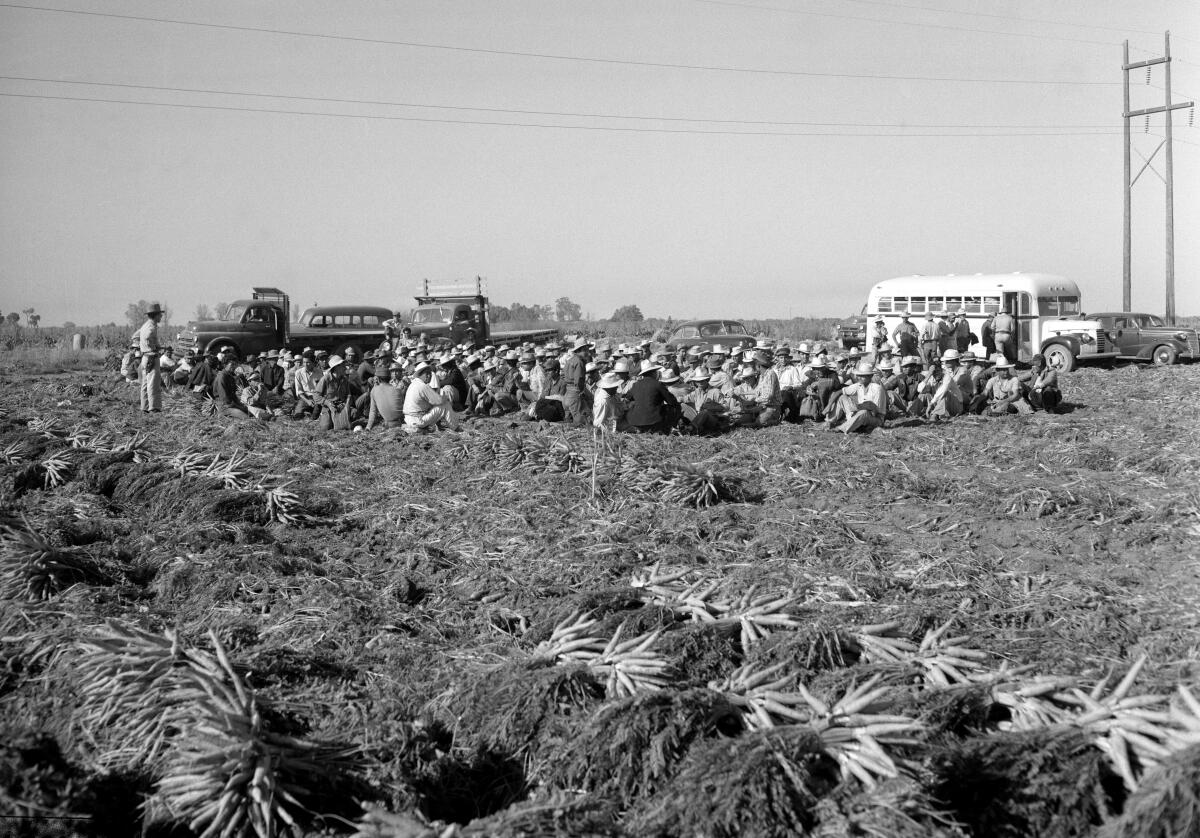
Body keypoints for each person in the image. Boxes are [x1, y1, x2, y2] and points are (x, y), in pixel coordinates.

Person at [828, 360, 886, 434]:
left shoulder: (877, 388)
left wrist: (857, 408)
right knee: (842, 397)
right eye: (859, 375)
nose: (859, 378)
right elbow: (840, 391)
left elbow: (874, 411)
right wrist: (829, 405)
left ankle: (842, 428)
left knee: (864, 412)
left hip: (876, 419)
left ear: (870, 376)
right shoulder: (859, 385)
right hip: (859, 413)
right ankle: (830, 421)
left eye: (863, 376)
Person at [627, 360, 679, 434]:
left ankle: (641, 429)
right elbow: (672, 401)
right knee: (676, 407)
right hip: (654, 421)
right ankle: (668, 430)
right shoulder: (657, 384)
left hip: (636, 421)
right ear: (654, 373)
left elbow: (627, 398)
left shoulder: (635, 385)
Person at [403, 361, 455, 432]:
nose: (429, 376)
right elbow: (439, 401)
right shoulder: (422, 386)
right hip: (417, 420)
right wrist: (445, 397)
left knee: (433, 407)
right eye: (426, 374)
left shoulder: (413, 384)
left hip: (409, 419)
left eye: (430, 373)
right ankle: (455, 427)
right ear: (420, 375)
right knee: (445, 405)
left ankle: (437, 426)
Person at [136, 302, 165, 413]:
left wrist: (156, 345)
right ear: (155, 315)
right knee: (153, 383)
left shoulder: (145, 325)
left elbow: (136, 336)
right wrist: (152, 346)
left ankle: (144, 407)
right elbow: (148, 335)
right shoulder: (151, 327)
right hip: (151, 357)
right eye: (160, 314)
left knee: (145, 384)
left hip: (145, 358)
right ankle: (154, 408)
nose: (161, 316)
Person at [562, 337, 593, 426]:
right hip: (575, 391)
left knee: (569, 415)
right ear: (580, 350)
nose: (587, 352)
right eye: (586, 350)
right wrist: (581, 391)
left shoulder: (570, 360)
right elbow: (579, 379)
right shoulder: (579, 362)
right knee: (578, 417)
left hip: (568, 391)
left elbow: (564, 376)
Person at [213, 355, 254, 421]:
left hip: (232, 404)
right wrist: (238, 406)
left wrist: (241, 405)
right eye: (232, 364)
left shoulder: (230, 376)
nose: (234, 367)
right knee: (246, 418)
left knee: (249, 412)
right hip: (224, 407)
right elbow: (225, 400)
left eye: (235, 364)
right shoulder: (222, 377)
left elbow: (233, 395)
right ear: (225, 364)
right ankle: (223, 416)